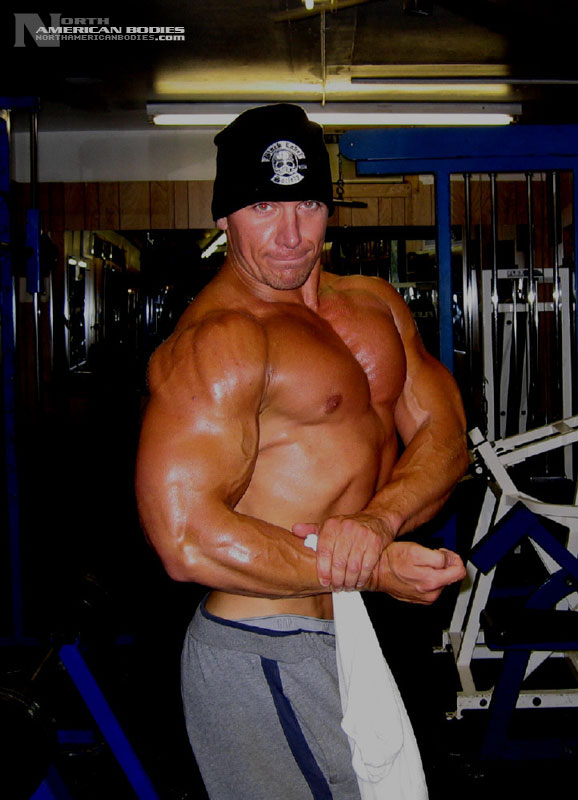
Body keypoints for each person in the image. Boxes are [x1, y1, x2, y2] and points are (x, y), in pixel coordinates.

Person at [135, 103, 469, 800]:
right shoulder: (221, 340)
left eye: (308, 205)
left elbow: (444, 435)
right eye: (263, 207)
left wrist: (378, 522)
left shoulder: (375, 307)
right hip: (262, 645)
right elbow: (184, 538)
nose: (291, 235)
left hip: (346, 628)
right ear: (224, 217)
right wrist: (371, 567)